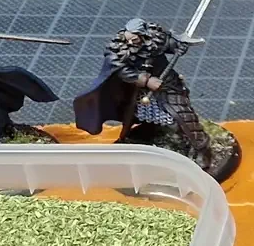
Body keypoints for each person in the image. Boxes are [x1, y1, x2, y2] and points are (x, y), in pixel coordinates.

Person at [74, 18, 213, 165]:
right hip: (140, 91)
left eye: (134, 39)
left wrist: (179, 47)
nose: (131, 42)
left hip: (167, 85)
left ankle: (201, 148)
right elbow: (121, 69)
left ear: (143, 35)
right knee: (141, 116)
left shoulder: (155, 39)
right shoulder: (118, 48)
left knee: (182, 116)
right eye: (128, 38)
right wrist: (146, 80)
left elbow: (170, 45)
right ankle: (148, 133)